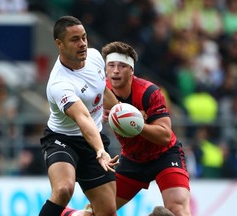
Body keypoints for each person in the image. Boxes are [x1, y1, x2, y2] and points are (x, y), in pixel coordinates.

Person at [62, 41, 192, 216]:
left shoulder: (149, 92)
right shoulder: (99, 91)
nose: (116, 70)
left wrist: (136, 124)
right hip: (132, 160)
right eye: (111, 65)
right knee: (96, 212)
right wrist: (100, 119)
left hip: (164, 156)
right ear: (105, 69)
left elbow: (165, 136)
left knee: (179, 211)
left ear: (131, 70)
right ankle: (63, 214)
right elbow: (81, 121)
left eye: (122, 66)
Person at [38, 16, 119, 216]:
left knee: (106, 213)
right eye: (75, 39)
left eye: (84, 37)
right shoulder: (59, 84)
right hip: (62, 140)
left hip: (93, 140)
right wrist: (100, 150)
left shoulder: (94, 57)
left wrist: (120, 111)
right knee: (64, 189)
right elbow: (83, 118)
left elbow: (102, 89)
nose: (82, 44)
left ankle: (71, 214)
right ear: (59, 44)